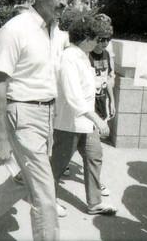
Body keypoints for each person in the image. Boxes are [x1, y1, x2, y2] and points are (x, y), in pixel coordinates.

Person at [0, 0, 73, 240]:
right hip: (22, 114)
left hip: (47, 113)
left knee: (30, 178)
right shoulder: (15, 29)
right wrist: (0, 138)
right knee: (45, 194)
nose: (65, 2)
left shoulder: (55, 30)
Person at [50, 13, 117, 217]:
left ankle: (94, 203)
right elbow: (73, 96)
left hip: (86, 124)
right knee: (57, 166)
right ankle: (46, 201)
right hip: (69, 124)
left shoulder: (82, 57)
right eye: (97, 39)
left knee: (94, 157)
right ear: (86, 39)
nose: (99, 44)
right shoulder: (70, 58)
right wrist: (97, 119)